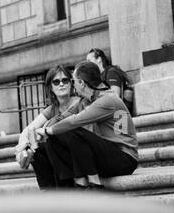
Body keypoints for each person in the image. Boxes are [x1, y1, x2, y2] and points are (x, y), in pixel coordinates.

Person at [33, 61, 138, 191]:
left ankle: (93, 185)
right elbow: (63, 117)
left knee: (72, 131)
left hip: (124, 159)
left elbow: (74, 121)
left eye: (73, 81)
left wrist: (48, 130)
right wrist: (44, 132)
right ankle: (62, 190)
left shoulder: (107, 99)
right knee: (43, 148)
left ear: (82, 83)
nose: (73, 85)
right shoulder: (86, 100)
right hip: (105, 155)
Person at [15, 65, 81, 186]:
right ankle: (48, 192)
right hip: (61, 153)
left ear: (71, 84)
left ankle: (64, 190)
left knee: (51, 144)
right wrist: (21, 148)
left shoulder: (79, 103)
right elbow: (30, 128)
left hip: (79, 152)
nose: (61, 84)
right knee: (38, 150)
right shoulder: (52, 109)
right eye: (56, 82)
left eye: (65, 80)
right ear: (51, 88)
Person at [85, 48, 135, 115]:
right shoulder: (100, 76)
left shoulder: (111, 72)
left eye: (89, 61)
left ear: (99, 59)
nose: (87, 64)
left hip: (120, 115)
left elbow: (115, 96)